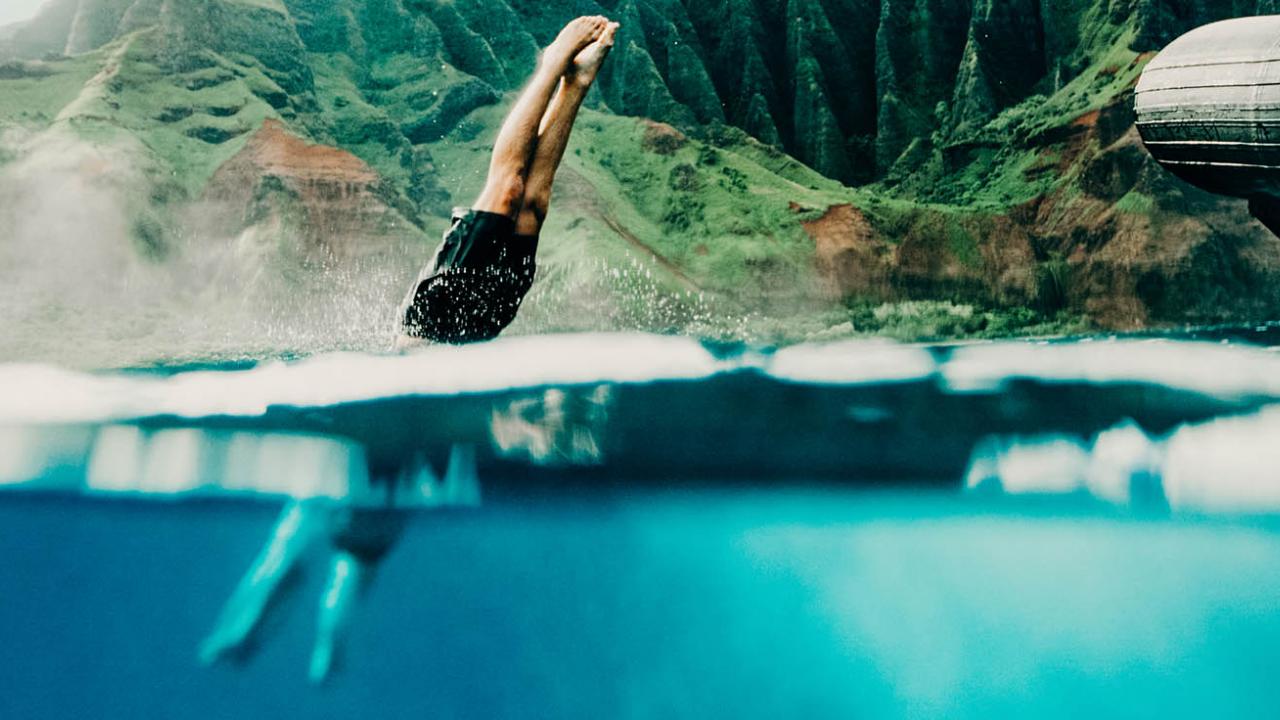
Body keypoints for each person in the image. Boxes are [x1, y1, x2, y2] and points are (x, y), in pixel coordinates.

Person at [398, 16, 620, 346]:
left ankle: (552, 63)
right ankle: (576, 84)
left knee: (508, 189)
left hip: (432, 320)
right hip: (481, 327)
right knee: (534, 204)